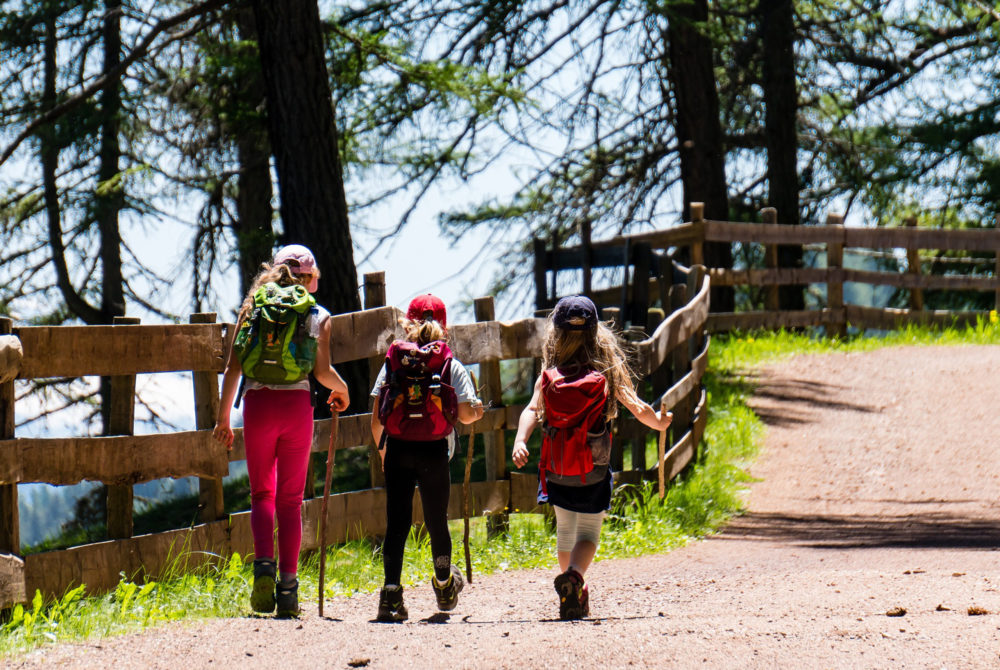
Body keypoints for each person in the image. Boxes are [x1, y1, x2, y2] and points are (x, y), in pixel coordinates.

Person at [511, 295, 672, 620]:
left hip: (556, 469)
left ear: (555, 333)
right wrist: (658, 422)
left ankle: (573, 589)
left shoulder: (550, 373)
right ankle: (574, 578)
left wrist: (520, 439)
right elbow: (636, 406)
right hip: (593, 469)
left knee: (566, 531)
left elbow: (532, 409)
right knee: (588, 535)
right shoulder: (606, 370)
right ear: (595, 332)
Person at [213, 244, 350, 617]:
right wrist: (343, 390)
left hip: (258, 405)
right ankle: (288, 589)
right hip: (295, 408)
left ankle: (263, 568)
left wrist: (223, 419)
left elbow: (233, 369)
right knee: (290, 502)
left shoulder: (252, 309)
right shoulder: (317, 315)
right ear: (310, 278)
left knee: (262, 495)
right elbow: (321, 373)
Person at [370, 294, 484, 622]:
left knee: (397, 524)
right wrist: (477, 411)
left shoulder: (394, 362)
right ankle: (445, 585)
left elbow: (378, 414)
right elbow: (464, 414)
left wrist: (382, 451)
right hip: (434, 450)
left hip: (399, 449)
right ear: (444, 326)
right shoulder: (450, 364)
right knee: (436, 522)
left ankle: (390, 596)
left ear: (407, 324)